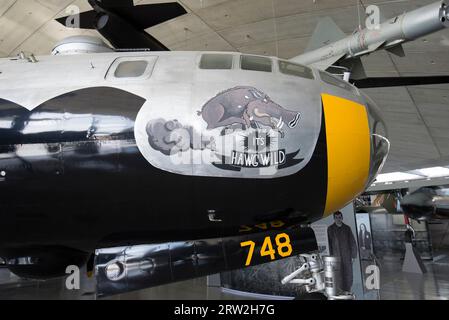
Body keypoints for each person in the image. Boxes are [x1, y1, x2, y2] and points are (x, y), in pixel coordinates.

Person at [327, 211, 358, 293]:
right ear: (334, 218)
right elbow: (329, 245)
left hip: (347, 256)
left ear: (342, 218)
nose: (338, 219)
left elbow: (352, 242)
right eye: (336, 217)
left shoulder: (347, 228)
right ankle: (340, 292)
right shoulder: (330, 229)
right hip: (336, 257)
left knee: (348, 274)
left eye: (340, 217)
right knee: (338, 275)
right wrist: (331, 257)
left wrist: (353, 256)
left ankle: (348, 291)